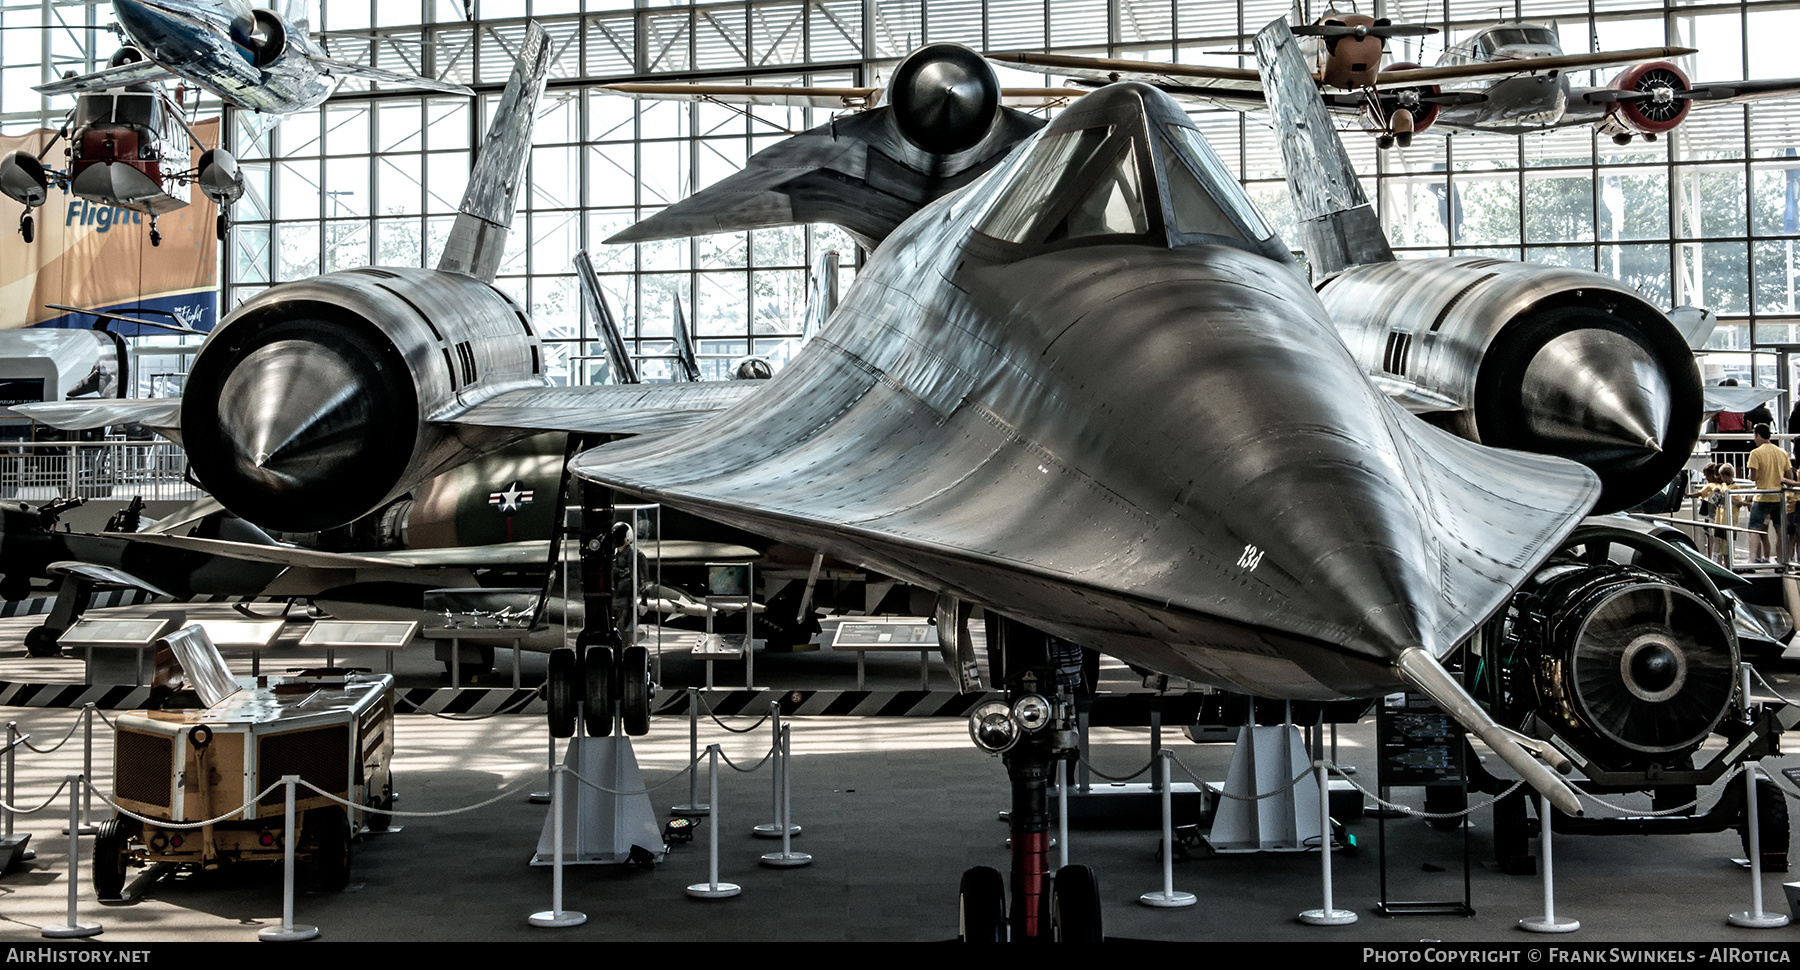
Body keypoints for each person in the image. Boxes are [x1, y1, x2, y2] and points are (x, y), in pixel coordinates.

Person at [1745, 424, 1793, 561]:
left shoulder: (1756, 453)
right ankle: (1781, 559)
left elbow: (1754, 477)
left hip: (1762, 496)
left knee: (1754, 529)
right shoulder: (1782, 452)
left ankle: (1752, 560)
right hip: (1779, 496)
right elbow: (1789, 476)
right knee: (1780, 530)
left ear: (1758, 435)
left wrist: (1751, 476)